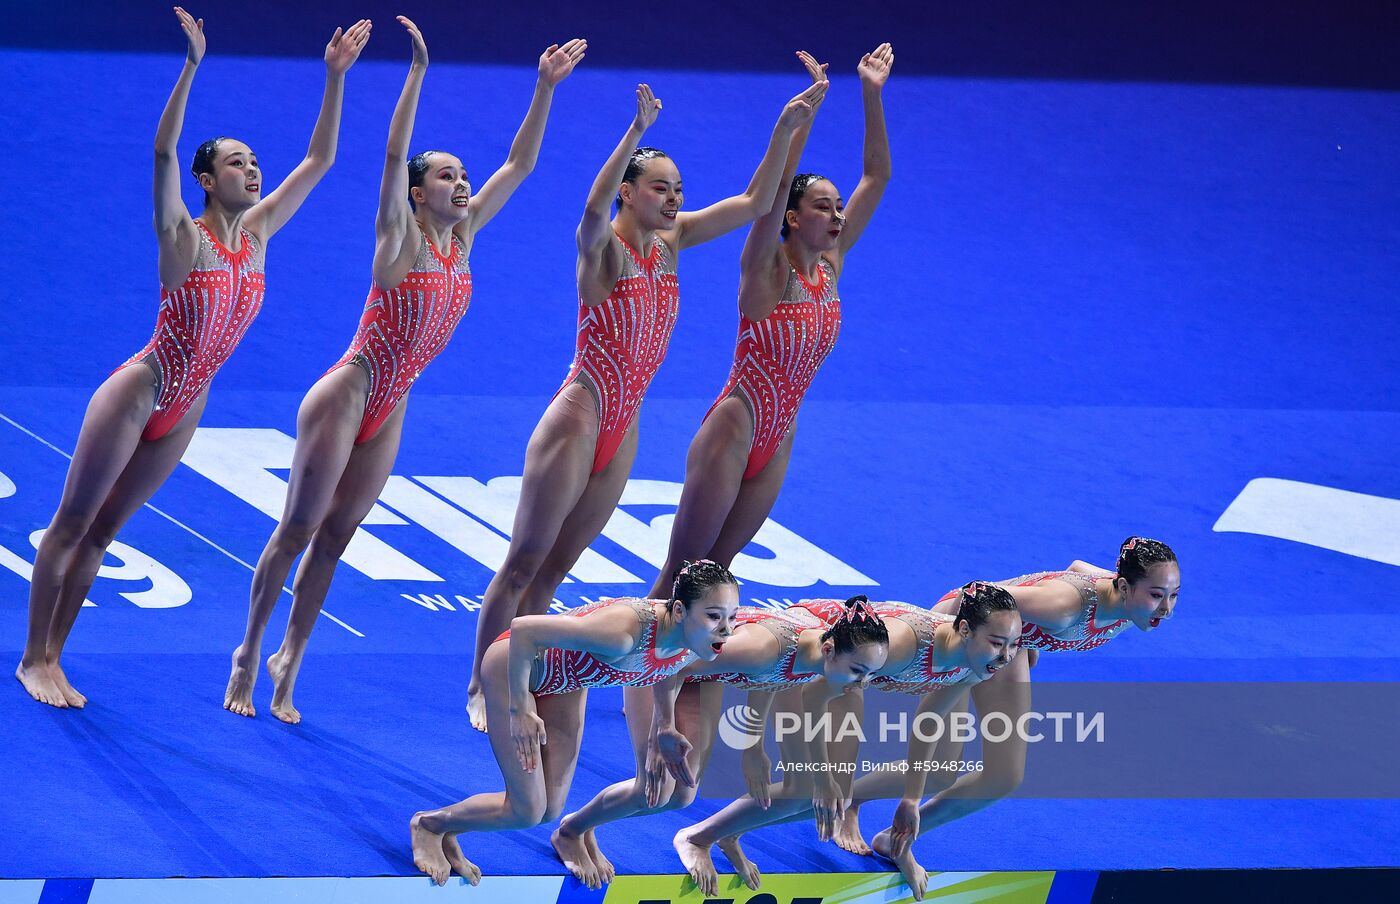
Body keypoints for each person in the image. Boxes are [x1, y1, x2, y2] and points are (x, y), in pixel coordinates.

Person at [223, 17, 584, 723]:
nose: (461, 183)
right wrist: (413, 76)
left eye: (461, 176)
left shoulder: (465, 238)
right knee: (298, 528)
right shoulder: (401, 234)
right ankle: (247, 650)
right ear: (419, 193)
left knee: (338, 537)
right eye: (446, 175)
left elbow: (521, 165)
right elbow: (393, 155)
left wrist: (543, 89)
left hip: (393, 405)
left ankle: (290, 654)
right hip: (349, 392)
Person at [17, 7, 369, 708]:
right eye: (238, 162)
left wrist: (335, 78)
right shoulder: (183, 233)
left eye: (254, 161)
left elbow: (321, 160)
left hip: (188, 404)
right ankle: (32, 657)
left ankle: (58, 654)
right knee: (72, 522)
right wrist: (191, 68)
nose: (254, 170)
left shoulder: (261, 233)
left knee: (107, 531)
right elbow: (160, 155)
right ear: (207, 180)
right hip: (139, 390)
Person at [464, 76, 829, 731]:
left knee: (558, 566)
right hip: (578, 417)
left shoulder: (673, 242)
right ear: (630, 193)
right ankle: (480, 683)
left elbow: (755, 202)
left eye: (678, 189)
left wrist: (785, 128)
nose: (673, 199)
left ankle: (521, 668)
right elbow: (591, 211)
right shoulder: (603, 250)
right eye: (660, 187)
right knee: (523, 560)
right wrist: (633, 135)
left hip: (622, 428)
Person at [646, 43, 893, 603]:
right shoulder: (764, 267)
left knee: (720, 572)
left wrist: (871, 96)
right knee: (681, 576)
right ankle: (632, 685)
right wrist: (799, 122)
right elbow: (773, 189)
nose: (837, 215)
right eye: (824, 206)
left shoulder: (830, 266)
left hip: (779, 436)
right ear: (792, 218)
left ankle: (686, 681)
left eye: (837, 208)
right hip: (734, 429)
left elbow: (877, 176)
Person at [408, 560, 741, 886]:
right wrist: (520, 707)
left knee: (549, 809)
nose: (726, 628)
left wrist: (664, 727)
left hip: (566, 682)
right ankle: (429, 825)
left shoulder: (694, 641)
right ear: (680, 611)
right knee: (526, 810)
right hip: (514, 667)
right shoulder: (622, 634)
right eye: (714, 616)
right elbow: (524, 630)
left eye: (731, 617)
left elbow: (668, 672)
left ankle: (452, 829)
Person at [672, 586, 1021, 897]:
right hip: (809, 662)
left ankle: (731, 832)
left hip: (846, 677)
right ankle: (697, 837)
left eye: (1014, 645)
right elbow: (804, 688)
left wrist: (911, 799)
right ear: (964, 629)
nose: (1006, 657)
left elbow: (928, 724)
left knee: (835, 796)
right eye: (996, 643)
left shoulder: (974, 664)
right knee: (808, 787)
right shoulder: (900, 647)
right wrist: (759, 746)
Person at [550, 596, 891, 888]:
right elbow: (673, 666)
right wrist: (661, 733)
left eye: (871, 674)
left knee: (681, 795)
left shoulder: (815, 654)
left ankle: (586, 826)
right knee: (651, 787)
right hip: (658, 658)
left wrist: (753, 748)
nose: (862, 684)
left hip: (705, 670)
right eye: (858, 671)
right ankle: (570, 831)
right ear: (829, 649)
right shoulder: (760, 648)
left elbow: (771, 678)